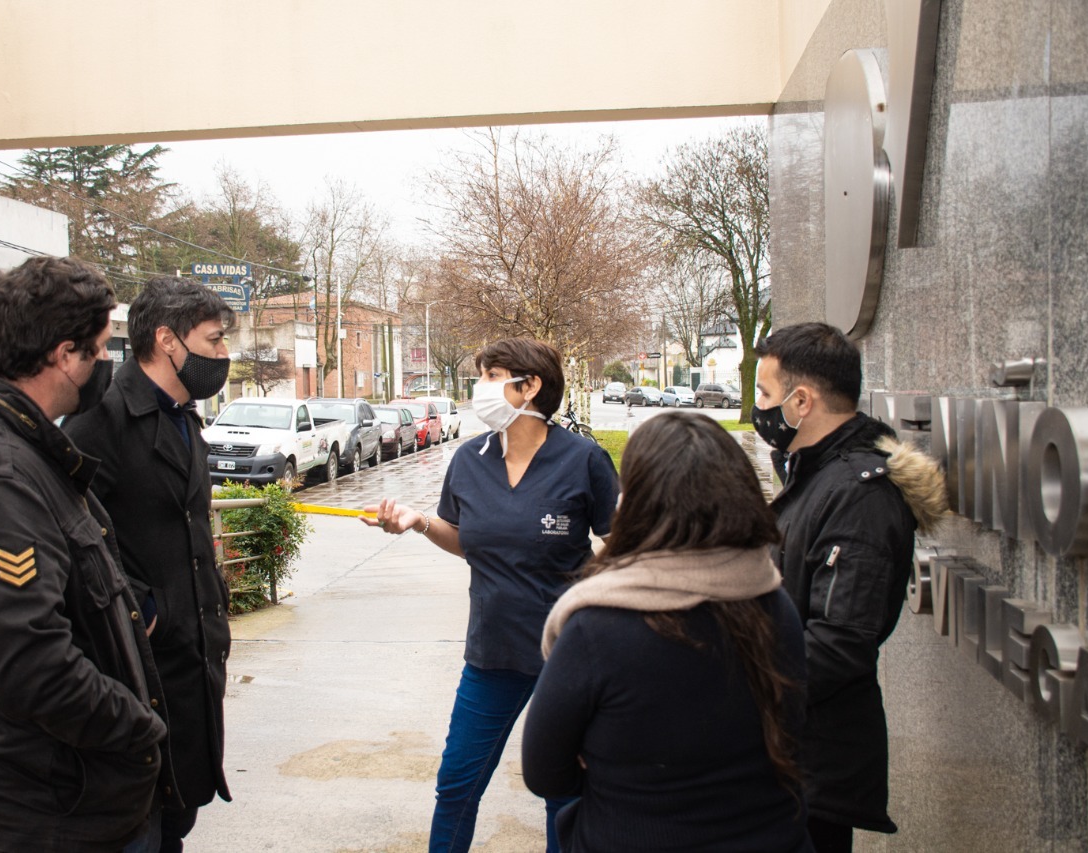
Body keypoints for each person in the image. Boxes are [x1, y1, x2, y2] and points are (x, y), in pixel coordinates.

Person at [0, 256, 179, 852]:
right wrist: (141, 728)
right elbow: (32, 669)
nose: (108, 365)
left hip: (68, 798)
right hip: (53, 810)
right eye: (101, 349)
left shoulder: (18, 450)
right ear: (65, 354)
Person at [362, 337, 619, 853]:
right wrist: (420, 523)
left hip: (567, 656)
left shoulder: (583, 459)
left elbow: (623, 545)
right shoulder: (468, 460)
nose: (479, 388)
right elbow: (468, 541)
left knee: (562, 792)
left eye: (491, 375)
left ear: (530, 387)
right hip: (493, 653)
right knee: (457, 783)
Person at [521, 411, 813, 852]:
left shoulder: (596, 628)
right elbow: (792, 730)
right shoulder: (774, 604)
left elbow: (545, 771)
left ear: (638, 503)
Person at [752, 322, 947, 853]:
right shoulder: (813, 474)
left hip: (810, 766)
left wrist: (742, 691)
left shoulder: (858, 495)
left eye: (766, 395)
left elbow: (839, 644)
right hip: (786, 753)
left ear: (802, 400)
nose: (760, 409)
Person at [65, 276, 235, 851]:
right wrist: (140, 605)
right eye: (213, 341)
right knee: (146, 826)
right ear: (167, 340)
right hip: (138, 675)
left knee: (178, 819)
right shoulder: (101, 422)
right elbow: (71, 535)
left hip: (192, 665)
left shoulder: (184, 414)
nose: (223, 355)